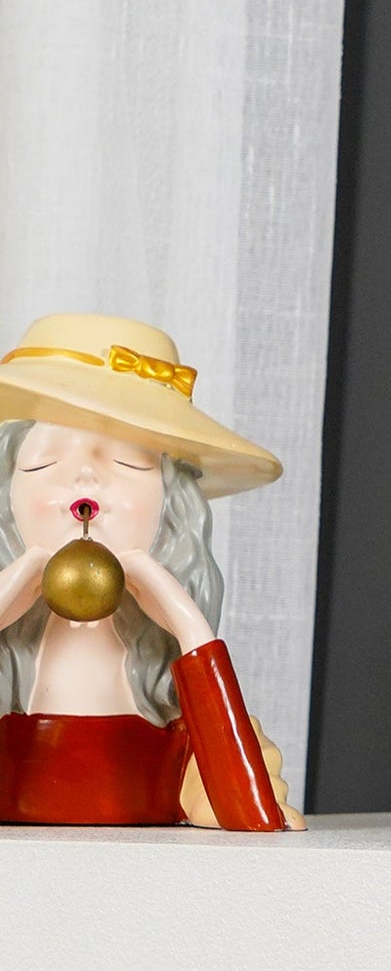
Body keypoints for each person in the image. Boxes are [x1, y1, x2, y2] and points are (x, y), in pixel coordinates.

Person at [0, 314, 300, 829]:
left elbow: (253, 818)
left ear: (172, 506)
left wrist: (188, 628)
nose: (85, 476)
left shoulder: (189, 719)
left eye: (130, 464)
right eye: (43, 463)